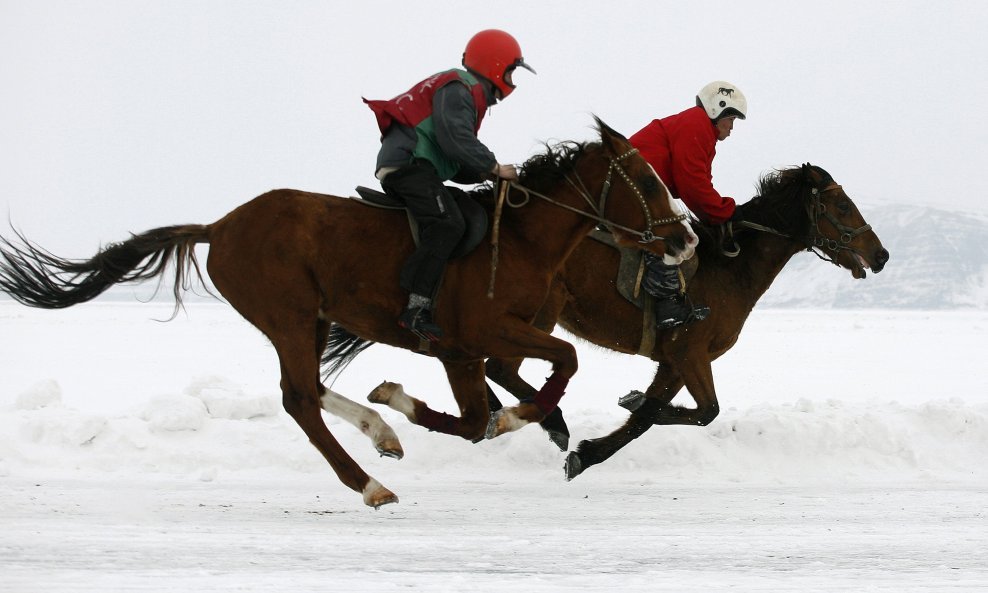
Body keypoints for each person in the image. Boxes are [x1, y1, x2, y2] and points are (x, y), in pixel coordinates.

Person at [363, 29, 534, 343]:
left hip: (417, 166)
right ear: (495, 65)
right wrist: (493, 166)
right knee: (447, 223)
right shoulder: (460, 87)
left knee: (466, 213)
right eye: (511, 71)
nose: (512, 80)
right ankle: (415, 307)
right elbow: (455, 139)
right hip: (410, 165)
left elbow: (455, 161)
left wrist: (487, 175)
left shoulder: (464, 90)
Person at [628, 80, 748, 329]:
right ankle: (667, 306)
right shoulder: (697, 125)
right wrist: (727, 212)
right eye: (731, 120)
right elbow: (692, 184)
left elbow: (699, 181)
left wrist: (717, 211)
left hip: (640, 185)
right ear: (718, 109)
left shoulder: (699, 129)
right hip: (637, 186)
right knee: (673, 236)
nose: (731, 129)